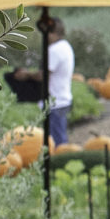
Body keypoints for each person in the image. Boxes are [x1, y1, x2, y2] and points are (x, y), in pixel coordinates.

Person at [45, 18, 74, 148]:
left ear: (52, 33)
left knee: (56, 142)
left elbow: (45, 74)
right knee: (59, 138)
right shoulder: (65, 46)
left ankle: (58, 164)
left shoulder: (55, 50)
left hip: (54, 102)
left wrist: (26, 75)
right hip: (63, 99)